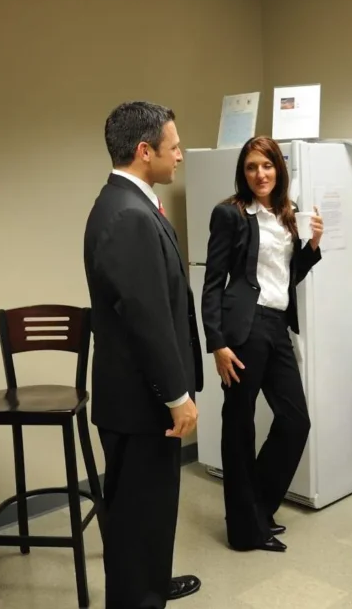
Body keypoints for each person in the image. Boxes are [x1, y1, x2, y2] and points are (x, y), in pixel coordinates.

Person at [82, 101, 203, 608]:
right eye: (173, 147)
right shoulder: (129, 216)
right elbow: (146, 319)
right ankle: (139, 596)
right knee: (137, 517)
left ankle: (151, 582)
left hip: (137, 396)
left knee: (149, 512)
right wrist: (177, 396)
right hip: (142, 402)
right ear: (144, 150)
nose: (180, 156)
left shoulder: (129, 204)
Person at [201, 136, 323, 553]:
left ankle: (257, 508)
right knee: (239, 427)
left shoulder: (284, 214)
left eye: (267, 166)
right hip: (244, 329)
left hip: (276, 327)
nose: (260, 174)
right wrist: (216, 342)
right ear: (244, 171)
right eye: (252, 167)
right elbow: (212, 282)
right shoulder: (231, 214)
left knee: (295, 421)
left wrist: (311, 248)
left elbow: (285, 277)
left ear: (278, 169)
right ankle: (244, 530)